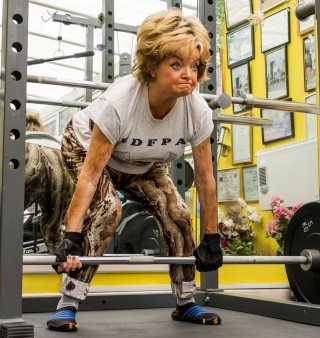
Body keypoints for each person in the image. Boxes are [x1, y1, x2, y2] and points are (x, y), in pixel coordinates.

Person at [46, 9, 223, 332]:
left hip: (143, 162)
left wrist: (212, 237)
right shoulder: (120, 103)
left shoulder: (197, 111)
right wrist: (71, 235)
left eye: (195, 66)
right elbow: (89, 175)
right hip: (86, 148)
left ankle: (185, 300)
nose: (189, 75)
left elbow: (205, 178)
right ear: (152, 66)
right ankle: (69, 302)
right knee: (108, 209)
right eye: (176, 65)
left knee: (178, 213)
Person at [0, 110, 74, 256]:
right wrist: (73, 239)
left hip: (26, 164)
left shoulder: (9, 150)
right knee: (53, 232)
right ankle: (66, 265)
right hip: (61, 164)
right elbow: (71, 208)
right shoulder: (60, 148)